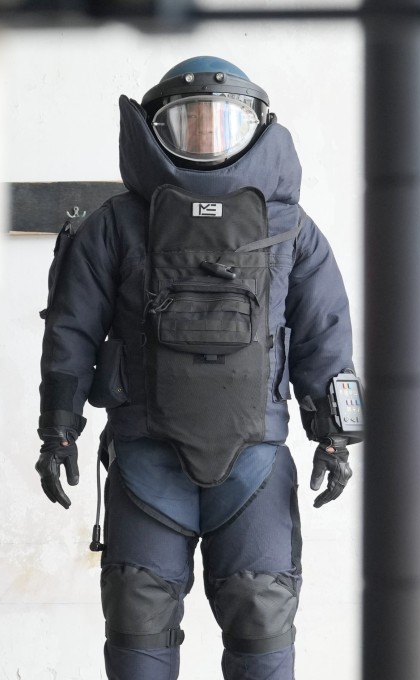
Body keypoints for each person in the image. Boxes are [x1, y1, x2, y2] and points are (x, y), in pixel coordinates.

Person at [36, 55, 361, 680]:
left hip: (254, 465)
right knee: (138, 631)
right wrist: (57, 429)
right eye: (191, 122)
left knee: (262, 626)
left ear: (256, 127)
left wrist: (334, 436)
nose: (208, 137)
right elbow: (70, 331)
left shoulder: (291, 229)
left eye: (224, 122)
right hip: (147, 460)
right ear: (158, 129)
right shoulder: (114, 227)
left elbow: (325, 332)